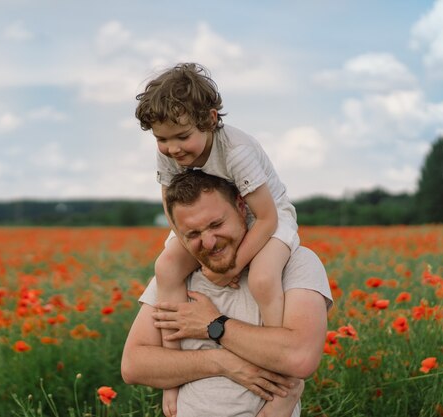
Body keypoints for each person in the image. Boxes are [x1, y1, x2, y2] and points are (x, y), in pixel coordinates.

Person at [135, 63, 300, 410]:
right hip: (205, 221)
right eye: (162, 139)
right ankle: (173, 376)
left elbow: (268, 218)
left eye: (182, 137)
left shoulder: (236, 151)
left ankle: (285, 378)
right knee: (165, 267)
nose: (173, 149)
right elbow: (170, 204)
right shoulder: (168, 151)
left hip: (265, 215)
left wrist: (230, 266)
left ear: (210, 120)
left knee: (264, 277)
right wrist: (194, 250)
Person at [121, 170, 332, 417]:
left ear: (242, 207)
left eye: (216, 224)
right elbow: (134, 365)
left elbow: (300, 357)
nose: (209, 242)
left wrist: (214, 325)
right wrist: (221, 363)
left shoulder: (295, 263)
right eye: (193, 234)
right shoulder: (178, 275)